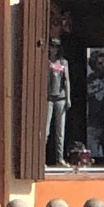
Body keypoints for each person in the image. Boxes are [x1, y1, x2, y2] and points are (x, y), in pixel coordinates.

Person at [46, 38, 72, 167]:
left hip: (61, 98)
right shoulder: (46, 62)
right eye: (52, 46)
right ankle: (41, 159)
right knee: (46, 130)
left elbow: (67, 80)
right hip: (48, 98)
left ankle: (60, 158)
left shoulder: (63, 62)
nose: (54, 49)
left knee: (60, 131)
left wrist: (68, 98)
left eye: (56, 47)